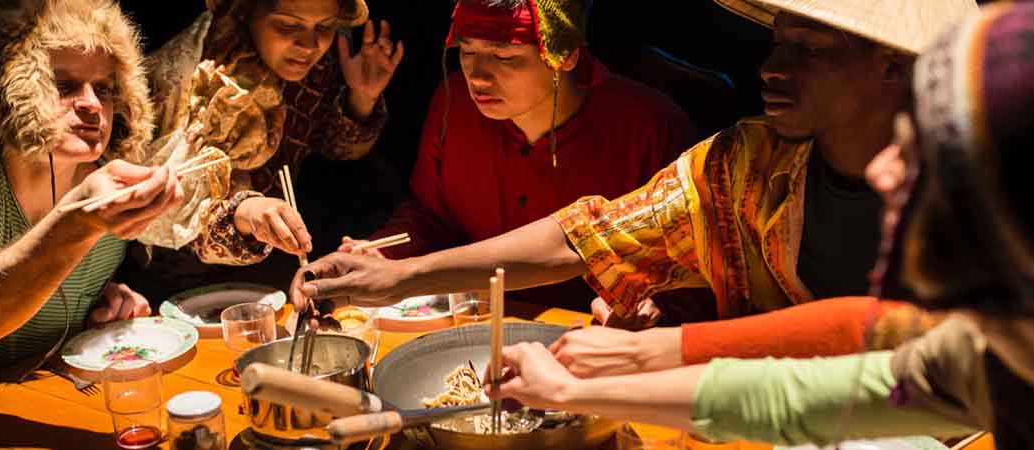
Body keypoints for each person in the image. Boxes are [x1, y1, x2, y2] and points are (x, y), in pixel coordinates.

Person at [489, 4, 1034, 449]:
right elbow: (792, 395)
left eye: (929, 155)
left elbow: (869, 334)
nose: (887, 173)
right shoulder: (993, 345)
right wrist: (577, 390)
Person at [289, 0, 975, 347]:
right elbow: (593, 233)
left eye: (810, 48)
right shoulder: (746, 160)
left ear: (894, 64)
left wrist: (667, 338)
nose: (772, 67)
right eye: (776, 43)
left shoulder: (988, 190)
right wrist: (397, 274)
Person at [0, 0, 183, 400]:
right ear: (8, 90)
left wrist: (109, 299)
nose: (93, 104)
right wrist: (78, 223)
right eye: (64, 86)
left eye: (105, 89)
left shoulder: (107, 181)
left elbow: (57, 284)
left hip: (47, 397)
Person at [338, 0, 697, 313]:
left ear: (566, 54)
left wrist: (654, 306)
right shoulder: (454, 103)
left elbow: (693, 273)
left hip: (593, 343)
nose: (477, 76)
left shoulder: (650, 128)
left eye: (504, 56)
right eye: (467, 52)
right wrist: (382, 253)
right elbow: (431, 216)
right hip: (480, 329)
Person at [118, 0, 403, 300]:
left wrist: (361, 97)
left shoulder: (316, 70)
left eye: (324, 27)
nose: (308, 44)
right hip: (171, 280)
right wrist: (246, 212)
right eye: (288, 25)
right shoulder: (203, 77)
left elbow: (338, 150)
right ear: (247, 13)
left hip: (270, 266)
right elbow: (180, 212)